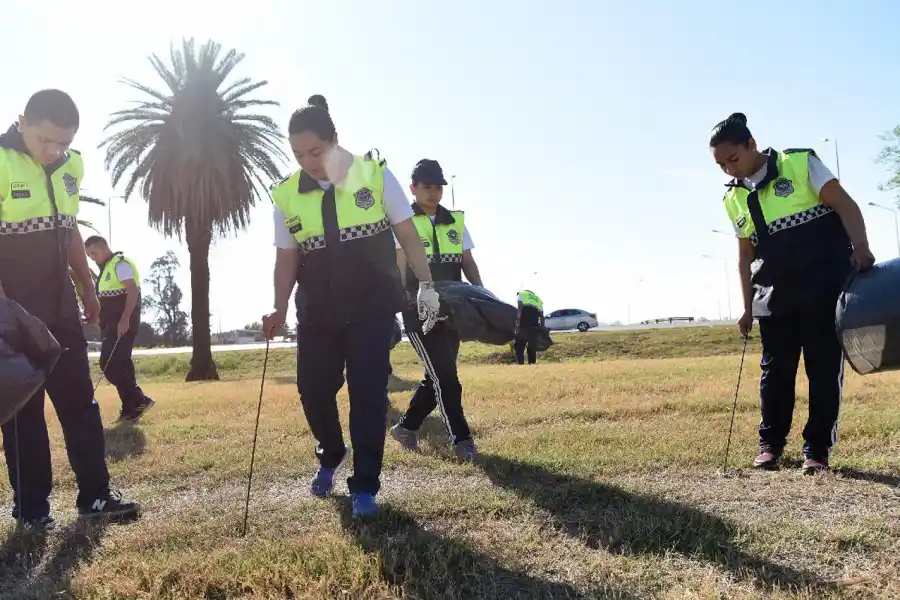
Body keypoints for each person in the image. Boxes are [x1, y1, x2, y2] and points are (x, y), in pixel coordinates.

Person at [262, 95, 439, 517]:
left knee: (368, 397)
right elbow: (286, 257)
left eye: (316, 152)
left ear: (335, 141)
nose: (308, 161)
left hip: (371, 308)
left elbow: (407, 232)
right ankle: (332, 451)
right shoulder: (287, 194)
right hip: (318, 311)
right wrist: (278, 305)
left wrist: (427, 284)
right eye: (299, 154)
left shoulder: (373, 174)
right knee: (313, 389)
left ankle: (365, 487)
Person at [0, 89, 140, 530]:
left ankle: (96, 497)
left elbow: (70, 232)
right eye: (46, 141)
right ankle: (32, 511)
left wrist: (88, 287)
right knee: (24, 413)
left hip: (62, 310)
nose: (54, 151)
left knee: (81, 402)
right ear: (21, 122)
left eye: (62, 143)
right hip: (14, 314)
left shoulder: (71, 165)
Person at [710, 112, 875, 475]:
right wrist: (746, 308)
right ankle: (770, 445)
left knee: (823, 371)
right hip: (774, 297)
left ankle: (816, 450)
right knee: (775, 374)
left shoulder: (800, 164)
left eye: (732, 159)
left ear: (752, 145)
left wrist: (861, 246)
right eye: (720, 165)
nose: (727, 170)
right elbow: (744, 257)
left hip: (824, 290)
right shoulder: (734, 198)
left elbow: (846, 205)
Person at [390, 159, 484, 460]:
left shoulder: (455, 221)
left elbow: (467, 263)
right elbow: (399, 265)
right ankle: (462, 439)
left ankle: (405, 427)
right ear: (413, 189)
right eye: (427, 187)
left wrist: (482, 294)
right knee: (446, 378)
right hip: (419, 311)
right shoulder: (403, 222)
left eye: (438, 187)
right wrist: (401, 300)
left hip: (453, 310)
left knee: (438, 376)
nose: (434, 192)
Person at [84, 235, 155, 423]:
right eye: (89, 255)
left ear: (104, 247)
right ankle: (131, 409)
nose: (92, 257)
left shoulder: (120, 264)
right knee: (122, 363)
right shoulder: (105, 270)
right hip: (109, 324)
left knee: (108, 362)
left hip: (121, 323)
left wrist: (125, 319)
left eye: (94, 253)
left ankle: (140, 399)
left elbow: (132, 290)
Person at [514, 289, 544, 365]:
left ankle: (520, 365)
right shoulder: (538, 299)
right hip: (534, 326)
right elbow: (542, 316)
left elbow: (519, 311)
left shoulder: (521, 294)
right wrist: (542, 328)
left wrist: (517, 325)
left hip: (524, 325)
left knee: (519, 346)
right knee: (532, 348)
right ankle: (532, 365)